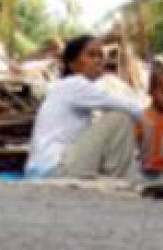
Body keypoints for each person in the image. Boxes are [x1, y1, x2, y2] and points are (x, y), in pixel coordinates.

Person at [24, 34, 144, 180]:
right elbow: (127, 106)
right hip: (53, 168)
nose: (98, 60)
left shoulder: (64, 88)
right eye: (91, 55)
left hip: (44, 168)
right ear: (72, 64)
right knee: (120, 118)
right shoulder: (75, 84)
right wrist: (154, 120)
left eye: (101, 56)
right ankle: (119, 181)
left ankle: (122, 179)